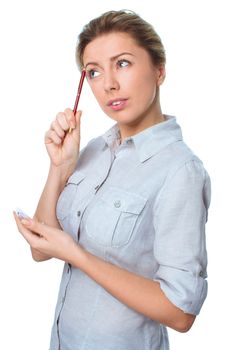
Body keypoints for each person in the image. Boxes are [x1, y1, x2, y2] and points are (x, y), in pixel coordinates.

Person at [14, 9, 211, 350]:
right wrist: (59, 166)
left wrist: (78, 256)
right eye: (93, 72)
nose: (109, 84)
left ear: (159, 70)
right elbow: (40, 250)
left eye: (122, 63)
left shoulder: (180, 170)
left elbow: (181, 312)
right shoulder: (93, 151)